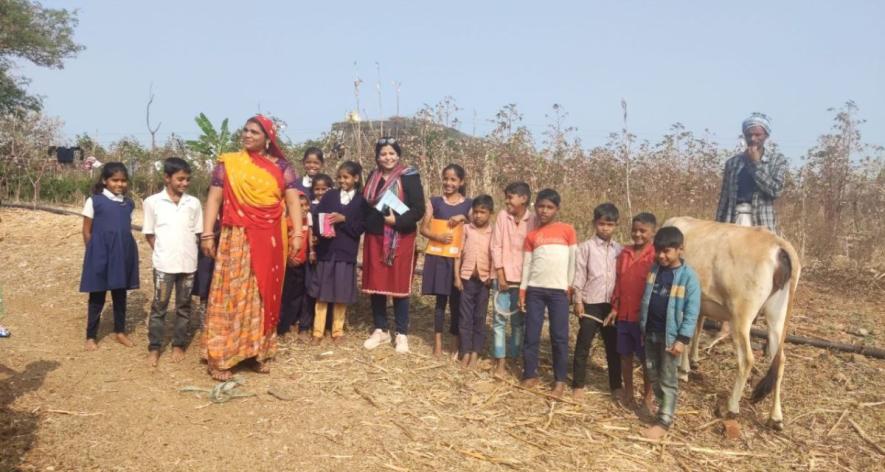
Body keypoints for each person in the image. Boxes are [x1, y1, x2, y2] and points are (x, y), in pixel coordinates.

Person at [200, 115, 303, 381]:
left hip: (270, 237)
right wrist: (207, 233)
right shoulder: (229, 163)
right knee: (231, 291)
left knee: (263, 291)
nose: (247, 135)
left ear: (268, 139)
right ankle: (222, 355)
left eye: (254, 132)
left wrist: (298, 234)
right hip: (236, 236)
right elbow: (214, 198)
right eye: (245, 130)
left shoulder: (282, 167)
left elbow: (293, 202)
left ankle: (258, 351)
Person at [714, 113, 786, 341]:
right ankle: (727, 322)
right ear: (744, 135)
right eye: (750, 134)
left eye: (758, 134)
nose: (753, 138)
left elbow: (774, 191)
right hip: (733, 220)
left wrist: (755, 165)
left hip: (760, 225)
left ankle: (759, 323)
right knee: (729, 271)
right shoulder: (733, 163)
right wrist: (717, 227)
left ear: (766, 135)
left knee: (760, 274)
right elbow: (725, 197)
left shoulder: (776, 161)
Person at [361, 137, 426, 354]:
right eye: (383, 154)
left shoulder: (409, 176)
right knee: (376, 284)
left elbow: (418, 209)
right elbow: (365, 206)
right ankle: (380, 329)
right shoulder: (373, 176)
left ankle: (401, 332)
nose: (387, 157)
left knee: (399, 286)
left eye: (391, 153)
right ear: (377, 157)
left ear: (398, 155)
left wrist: (396, 221)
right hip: (375, 237)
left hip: (400, 237)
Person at [639, 226, 701, 440]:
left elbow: (692, 312)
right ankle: (662, 409)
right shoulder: (655, 270)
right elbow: (647, 300)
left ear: (680, 250)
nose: (661, 256)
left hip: (670, 338)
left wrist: (682, 340)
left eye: (667, 251)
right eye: (658, 251)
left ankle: (665, 419)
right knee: (653, 373)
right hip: (650, 333)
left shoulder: (688, 277)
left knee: (668, 378)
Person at [142, 157, 203, 366]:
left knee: (184, 306)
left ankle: (178, 343)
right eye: (180, 179)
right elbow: (149, 234)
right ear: (167, 178)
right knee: (159, 306)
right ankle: (155, 347)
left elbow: (197, 233)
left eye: (187, 180)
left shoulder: (193, 203)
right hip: (164, 265)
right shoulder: (152, 202)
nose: (184, 184)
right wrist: (163, 251)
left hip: (188, 264)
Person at [519, 189, 577, 399]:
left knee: (559, 337)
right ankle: (529, 374)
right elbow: (527, 265)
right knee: (531, 334)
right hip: (535, 290)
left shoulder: (567, 230)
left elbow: (573, 261)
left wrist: (569, 287)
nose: (544, 211)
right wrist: (523, 291)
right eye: (541, 206)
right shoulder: (532, 236)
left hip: (558, 292)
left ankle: (559, 380)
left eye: (549, 207)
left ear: (557, 209)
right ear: (535, 207)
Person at [79, 162, 138, 351]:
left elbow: (125, 228)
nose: (119, 184)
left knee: (120, 294)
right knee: (97, 295)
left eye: (123, 180)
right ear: (105, 181)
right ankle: (91, 335)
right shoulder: (95, 201)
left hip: (122, 253)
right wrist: (94, 252)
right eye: (115, 180)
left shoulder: (128, 203)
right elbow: (87, 230)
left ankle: (119, 331)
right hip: (100, 254)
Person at [310, 161, 368, 344]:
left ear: (356, 178)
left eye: (346, 177)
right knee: (322, 292)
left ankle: (337, 330)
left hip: (346, 252)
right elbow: (317, 216)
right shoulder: (330, 196)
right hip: (327, 251)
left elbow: (360, 227)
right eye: (339, 177)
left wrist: (344, 219)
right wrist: (323, 231)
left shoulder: (361, 201)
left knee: (341, 292)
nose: (342, 180)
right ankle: (317, 331)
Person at [604, 212, 657, 412]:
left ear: (653, 232)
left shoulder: (655, 257)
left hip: (643, 318)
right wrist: (615, 307)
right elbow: (619, 282)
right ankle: (628, 392)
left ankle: (648, 398)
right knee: (625, 356)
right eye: (634, 230)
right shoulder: (625, 253)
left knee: (646, 360)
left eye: (643, 231)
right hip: (624, 316)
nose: (637, 234)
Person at [571, 203, 622, 401]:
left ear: (616, 225)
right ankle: (578, 384)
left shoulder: (620, 250)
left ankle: (616, 386)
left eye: (610, 225)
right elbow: (580, 274)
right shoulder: (586, 248)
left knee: (613, 347)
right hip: (591, 303)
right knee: (583, 344)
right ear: (594, 223)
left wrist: (619, 305)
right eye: (602, 224)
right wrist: (578, 300)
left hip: (611, 306)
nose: (605, 228)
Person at [420, 164, 472, 357]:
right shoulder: (434, 202)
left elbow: (478, 223)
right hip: (439, 258)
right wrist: (438, 237)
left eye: (453, 180)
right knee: (441, 302)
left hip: (459, 260)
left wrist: (463, 218)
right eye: (446, 178)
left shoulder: (469, 205)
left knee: (458, 302)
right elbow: (423, 228)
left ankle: (456, 343)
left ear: (461, 182)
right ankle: (438, 344)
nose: (448, 183)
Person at [490, 181, 535, 379]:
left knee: (518, 323)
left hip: (523, 280)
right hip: (503, 278)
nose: (507, 201)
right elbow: (496, 246)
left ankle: (514, 360)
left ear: (523, 199)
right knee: (499, 320)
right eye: (506, 197)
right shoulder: (502, 216)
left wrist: (527, 282)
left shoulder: (533, 220)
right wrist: (500, 274)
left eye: (510, 197)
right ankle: (500, 362)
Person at [453, 194, 494, 368]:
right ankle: (466, 352)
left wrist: (491, 276)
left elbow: (495, 255)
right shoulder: (466, 230)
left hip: (484, 281)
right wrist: (457, 277)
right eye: (476, 212)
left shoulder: (494, 232)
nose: (478, 215)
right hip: (466, 279)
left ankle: (476, 352)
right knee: (465, 317)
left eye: (482, 212)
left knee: (479, 317)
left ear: (490, 213)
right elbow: (457, 254)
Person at [301, 173, 334, 342]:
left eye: (324, 189)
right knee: (310, 288)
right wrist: (312, 248)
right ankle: (305, 326)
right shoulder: (310, 207)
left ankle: (329, 325)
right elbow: (310, 230)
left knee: (328, 288)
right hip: (313, 253)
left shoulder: (334, 206)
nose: (320, 192)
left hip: (329, 253)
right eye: (317, 189)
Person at [277, 193, 311, 339]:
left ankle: (295, 323)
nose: (303, 209)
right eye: (299, 206)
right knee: (287, 297)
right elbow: (280, 244)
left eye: (305, 205)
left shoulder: (310, 224)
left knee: (300, 296)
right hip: (290, 265)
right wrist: (287, 259)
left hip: (305, 265)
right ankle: (282, 327)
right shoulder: (287, 223)